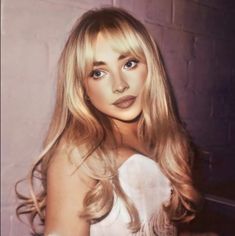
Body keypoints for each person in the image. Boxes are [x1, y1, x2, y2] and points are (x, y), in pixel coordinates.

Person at [16, 7, 201, 236]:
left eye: (129, 64)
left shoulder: (172, 143)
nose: (119, 85)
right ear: (81, 87)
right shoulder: (78, 154)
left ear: (151, 68)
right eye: (98, 73)